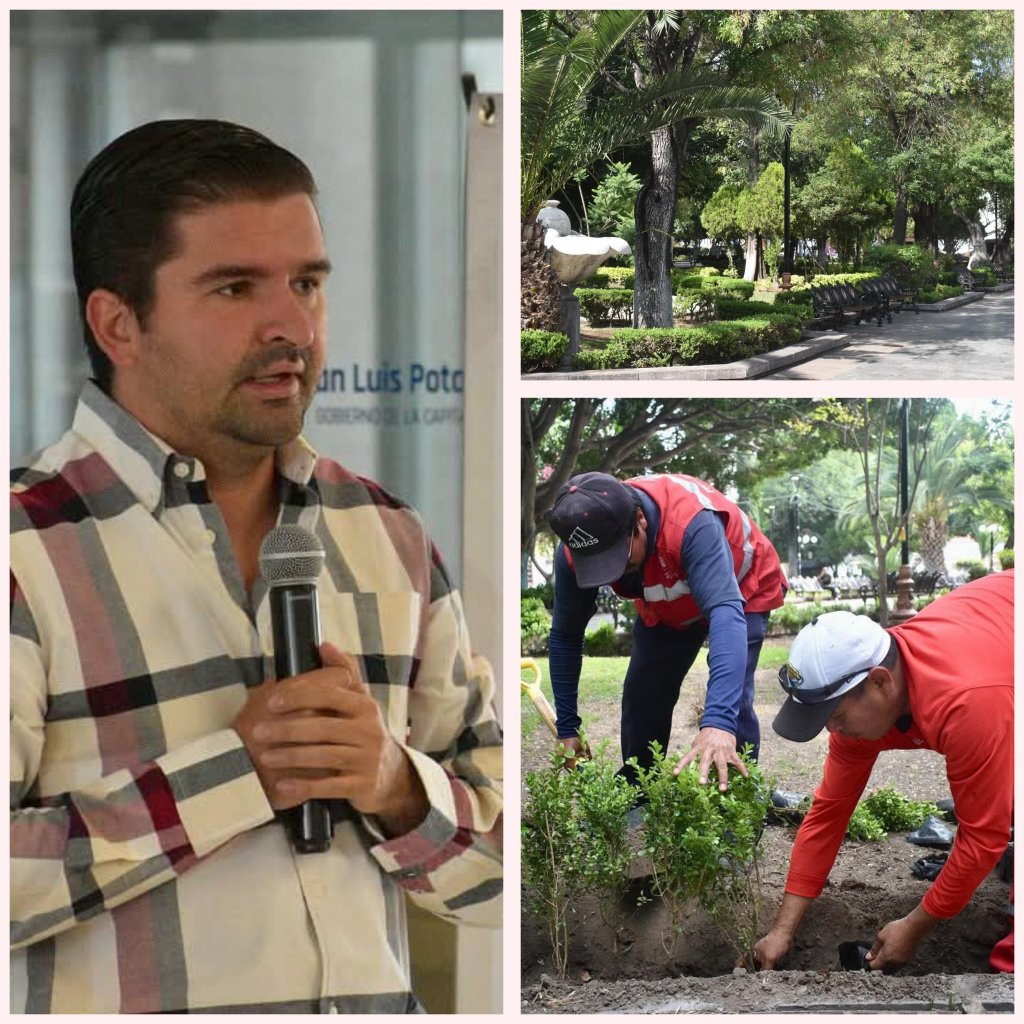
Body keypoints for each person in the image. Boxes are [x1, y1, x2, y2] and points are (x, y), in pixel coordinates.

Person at [10, 119, 502, 1013]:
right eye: (235, 288)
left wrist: (393, 785)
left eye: (307, 283)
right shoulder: (23, 550)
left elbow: (503, 868)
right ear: (117, 322)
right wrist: (235, 777)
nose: (291, 326)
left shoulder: (386, 532)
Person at [753, 571, 1013, 973]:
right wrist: (781, 932)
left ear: (879, 683)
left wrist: (915, 925)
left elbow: (982, 837)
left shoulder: (968, 703)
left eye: (834, 715)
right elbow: (827, 816)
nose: (831, 730)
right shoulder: (864, 707)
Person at [546, 471, 786, 790]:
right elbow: (565, 636)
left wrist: (717, 723)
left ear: (640, 520)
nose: (612, 572)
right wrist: (567, 728)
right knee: (644, 691)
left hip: (741, 589)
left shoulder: (689, 524)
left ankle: (734, 796)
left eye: (618, 556)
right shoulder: (576, 548)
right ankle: (639, 786)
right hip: (667, 597)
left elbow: (725, 614)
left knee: (732, 698)